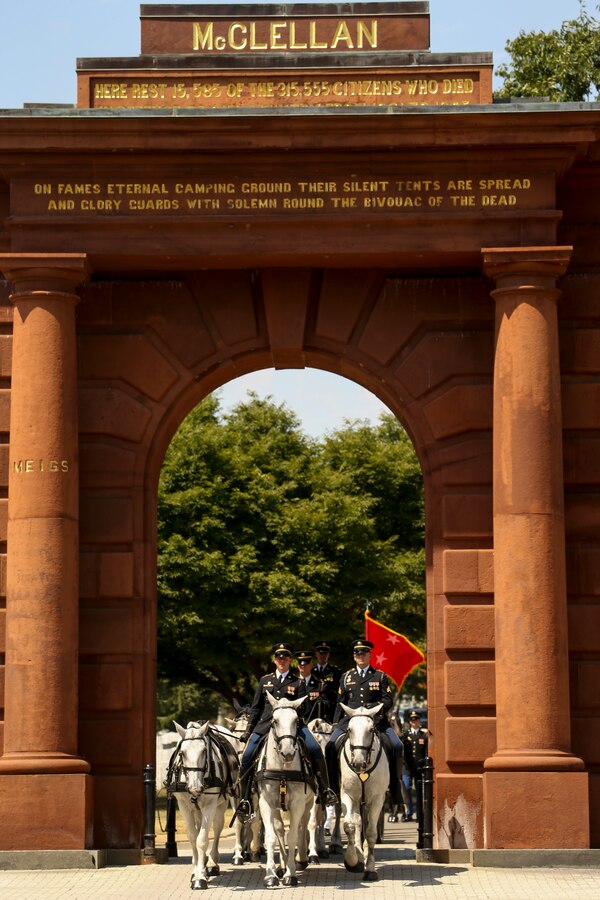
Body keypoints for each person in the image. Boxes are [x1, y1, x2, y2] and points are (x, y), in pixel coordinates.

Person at [236, 642, 335, 821]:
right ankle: (245, 800)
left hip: (292, 726)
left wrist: (290, 709)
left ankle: (324, 790)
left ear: (290, 661)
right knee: (247, 756)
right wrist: (248, 730)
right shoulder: (265, 681)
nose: (282, 660)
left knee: (315, 749)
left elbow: (304, 709)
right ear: (275, 660)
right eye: (279, 657)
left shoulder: (297, 682)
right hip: (266, 725)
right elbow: (257, 708)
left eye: (286, 657)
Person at [325, 638, 403, 808]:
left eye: (364, 653)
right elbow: (340, 702)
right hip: (349, 722)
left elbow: (387, 700)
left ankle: (395, 790)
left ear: (370, 655)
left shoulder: (380, 676)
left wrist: (373, 708)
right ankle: (331, 789)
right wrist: (336, 724)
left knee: (397, 746)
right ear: (354, 656)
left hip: (376, 721)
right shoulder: (346, 677)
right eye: (357, 653)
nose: (360, 655)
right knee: (330, 746)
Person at [401, 709, 428, 821]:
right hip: (407, 767)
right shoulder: (405, 735)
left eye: (416, 719)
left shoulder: (423, 735)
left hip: (419, 768)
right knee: (406, 788)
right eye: (412, 719)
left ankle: (419, 814)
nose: (414, 721)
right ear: (409, 721)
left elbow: (426, 751)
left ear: (419, 720)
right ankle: (408, 812)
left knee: (419, 791)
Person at [296, 648, 332, 723]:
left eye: (306, 663)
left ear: (311, 664)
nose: (303, 666)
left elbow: (327, 706)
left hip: (314, 723)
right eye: (300, 664)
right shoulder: (292, 683)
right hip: (294, 723)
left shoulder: (320, 685)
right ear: (298, 666)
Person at [311, 640, 342, 722]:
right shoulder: (311, 671)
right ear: (316, 654)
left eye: (325, 653)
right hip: (313, 710)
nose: (323, 655)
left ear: (329, 655)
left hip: (330, 710)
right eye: (320, 653)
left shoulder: (336, 672)